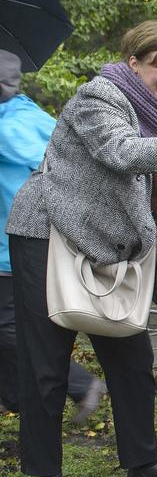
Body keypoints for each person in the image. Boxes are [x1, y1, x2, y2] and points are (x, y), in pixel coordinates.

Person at [6, 21, 157, 477]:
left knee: (130, 356)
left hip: (109, 245)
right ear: (134, 62)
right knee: (47, 362)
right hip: (49, 235)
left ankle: (142, 459)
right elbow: (124, 154)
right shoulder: (97, 99)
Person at [0, 50, 104, 422]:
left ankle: (78, 385)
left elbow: (51, 165)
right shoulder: (21, 114)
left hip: (16, 247)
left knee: (11, 330)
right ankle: (18, 399)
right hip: (18, 243)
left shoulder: (15, 123)